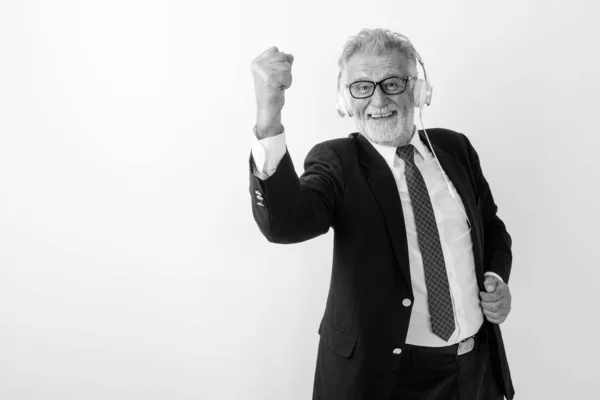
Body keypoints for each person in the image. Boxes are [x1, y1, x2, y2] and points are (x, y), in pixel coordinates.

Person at [248, 28, 514, 400]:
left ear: (418, 90)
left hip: (474, 371)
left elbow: (492, 228)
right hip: (384, 378)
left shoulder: (456, 148)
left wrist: (495, 276)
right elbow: (285, 224)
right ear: (345, 98)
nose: (377, 99)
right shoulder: (337, 162)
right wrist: (269, 117)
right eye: (361, 86)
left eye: (392, 83)